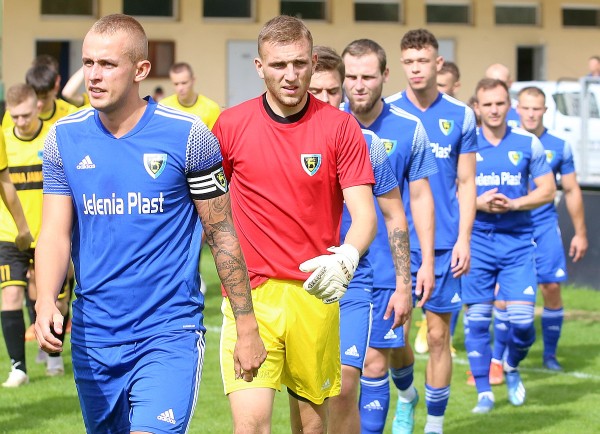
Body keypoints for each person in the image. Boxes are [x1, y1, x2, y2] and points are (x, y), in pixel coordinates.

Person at [34, 14, 266, 433]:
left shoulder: (189, 136)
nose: (94, 75)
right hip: (94, 335)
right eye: (88, 63)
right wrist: (46, 299)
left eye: (108, 64)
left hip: (168, 331)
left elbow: (222, 233)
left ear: (141, 70)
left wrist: (246, 325)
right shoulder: (62, 139)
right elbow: (54, 233)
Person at [212, 16, 378, 433]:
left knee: (311, 427)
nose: (290, 75)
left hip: (314, 293)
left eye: (300, 63)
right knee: (251, 426)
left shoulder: (341, 127)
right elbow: (210, 213)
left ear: (313, 62)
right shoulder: (230, 126)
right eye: (278, 65)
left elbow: (365, 215)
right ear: (259, 66)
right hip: (252, 297)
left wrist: (347, 256)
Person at [309, 45, 412, 434]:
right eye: (316, 91)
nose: (325, 99)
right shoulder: (283, 140)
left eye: (332, 91)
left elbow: (395, 215)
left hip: (353, 280)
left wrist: (403, 283)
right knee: (308, 396)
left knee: (346, 385)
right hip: (296, 279)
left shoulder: (366, 143)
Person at [340, 38, 437, 434]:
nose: (358, 85)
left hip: (385, 267)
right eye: (351, 76)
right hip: (337, 265)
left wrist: (423, 265)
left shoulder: (409, 128)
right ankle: (409, 392)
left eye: (367, 76)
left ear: (384, 75)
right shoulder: (329, 124)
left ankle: (404, 398)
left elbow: (420, 198)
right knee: (345, 372)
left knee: (374, 361)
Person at [385, 29, 477, 434]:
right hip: (396, 246)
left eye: (423, 61)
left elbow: (467, 182)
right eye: (409, 62)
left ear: (438, 64)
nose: (416, 69)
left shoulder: (461, 115)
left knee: (439, 338)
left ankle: (434, 425)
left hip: (443, 247)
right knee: (394, 337)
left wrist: (464, 239)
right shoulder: (387, 111)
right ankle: (407, 396)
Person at [462, 78, 555, 414]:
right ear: (477, 107)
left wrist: (515, 204)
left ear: (509, 106)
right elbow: (450, 190)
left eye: (500, 103)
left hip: (517, 243)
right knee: (477, 320)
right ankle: (484, 393)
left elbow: (548, 189)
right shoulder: (466, 143)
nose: (494, 110)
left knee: (523, 323)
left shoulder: (527, 142)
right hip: (477, 241)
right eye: (487, 104)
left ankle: (511, 366)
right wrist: (477, 203)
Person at [516, 86, 587, 370]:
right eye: (526, 108)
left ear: (545, 110)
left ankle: (550, 355)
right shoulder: (505, 140)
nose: (531, 114)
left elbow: (571, 190)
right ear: (517, 109)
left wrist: (580, 233)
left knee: (551, 287)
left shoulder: (559, 146)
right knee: (504, 296)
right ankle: (502, 356)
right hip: (511, 228)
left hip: (544, 225)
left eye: (536, 109)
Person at [1, 83, 57, 386]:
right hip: (10, 233)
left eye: (25, 115)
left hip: (48, 233)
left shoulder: (54, 137)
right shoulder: (3, 139)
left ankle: (53, 355)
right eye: (14, 116)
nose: (20, 122)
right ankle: (18, 368)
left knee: (51, 298)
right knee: (10, 294)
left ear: (37, 107)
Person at [161, 62, 221, 130]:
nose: (180, 88)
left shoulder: (211, 108)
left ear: (193, 80)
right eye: (176, 84)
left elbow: (215, 136)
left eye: (184, 83)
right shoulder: (163, 107)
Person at [484, 63, 520, 128]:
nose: (497, 87)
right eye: (492, 83)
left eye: (502, 83)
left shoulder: (522, 109)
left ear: (510, 83)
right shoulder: (475, 111)